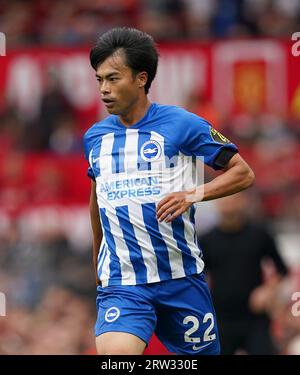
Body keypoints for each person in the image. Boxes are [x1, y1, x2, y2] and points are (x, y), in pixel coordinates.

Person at [83, 27, 255, 355]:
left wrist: (193, 195)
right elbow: (97, 198)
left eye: (113, 78)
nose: (104, 89)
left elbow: (243, 173)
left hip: (181, 277)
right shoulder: (95, 138)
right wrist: (97, 260)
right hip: (123, 283)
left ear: (141, 78)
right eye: (99, 80)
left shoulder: (183, 124)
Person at [198, 193, 289, 355]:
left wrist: (268, 291)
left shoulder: (259, 234)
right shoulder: (206, 240)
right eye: (224, 199)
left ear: (243, 202)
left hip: (254, 318)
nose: (229, 203)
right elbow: (199, 276)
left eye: (234, 199)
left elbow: (282, 269)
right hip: (221, 317)